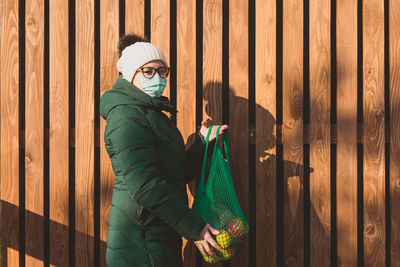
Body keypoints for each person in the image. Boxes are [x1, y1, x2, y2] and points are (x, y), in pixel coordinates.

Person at [99, 33, 228, 266]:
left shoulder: (152, 114)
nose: (157, 77)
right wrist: (195, 227)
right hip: (139, 240)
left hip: (159, 232)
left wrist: (201, 142)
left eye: (162, 71)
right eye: (148, 71)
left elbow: (175, 174)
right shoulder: (126, 117)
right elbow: (145, 185)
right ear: (130, 74)